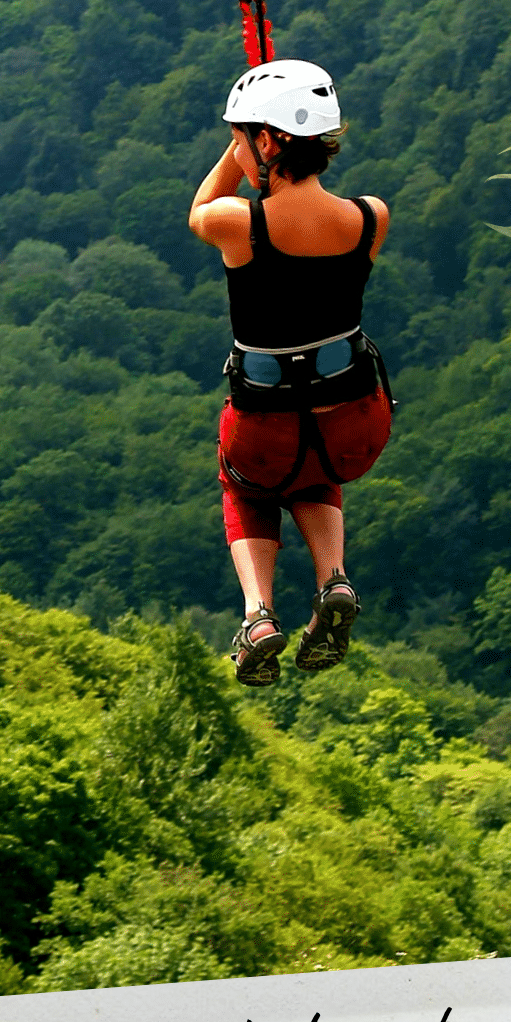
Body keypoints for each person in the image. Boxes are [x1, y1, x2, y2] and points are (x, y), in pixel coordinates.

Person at [188, 59, 393, 686]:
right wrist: (254, 136)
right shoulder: (369, 217)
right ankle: (332, 576)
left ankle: (258, 615)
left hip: (264, 430)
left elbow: (203, 205)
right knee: (314, 462)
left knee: (248, 481)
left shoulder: (239, 225)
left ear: (270, 141)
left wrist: (236, 150)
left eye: (246, 135)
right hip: (356, 427)